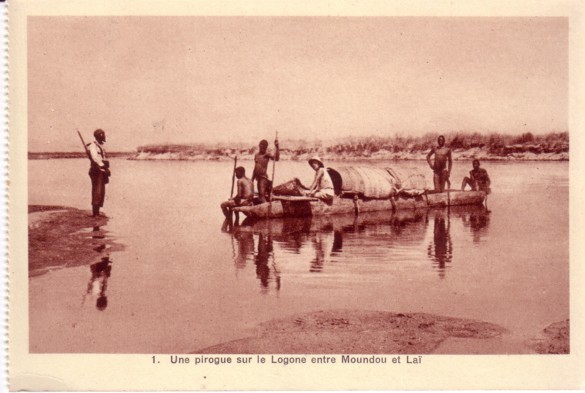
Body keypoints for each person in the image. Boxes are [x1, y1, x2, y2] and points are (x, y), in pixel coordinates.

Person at [88, 129, 110, 217]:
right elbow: (95, 158)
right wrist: (103, 166)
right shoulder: (93, 146)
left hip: (101, 170)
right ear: (98, 136)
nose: (104, 136)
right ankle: (95, 213)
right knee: (97, 191)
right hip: (96, 170)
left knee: (101, 191)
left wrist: (106, 167)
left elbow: (103, 158)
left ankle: (97, 211)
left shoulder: (100, 146)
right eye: (102, 134)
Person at [251, 138, 279, 203]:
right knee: (261, 195)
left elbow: (276, 158)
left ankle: (267, 208)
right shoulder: (256, 155)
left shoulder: (266, 154)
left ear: (266, 147)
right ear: (259, 146)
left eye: (264, 147)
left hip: (263, 178)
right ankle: (265, 205)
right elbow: (255, 168)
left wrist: (277, 147)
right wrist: (252, 179)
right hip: (258, 178)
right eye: (261, 147)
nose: (262, 148)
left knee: (261, 196)